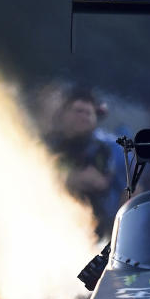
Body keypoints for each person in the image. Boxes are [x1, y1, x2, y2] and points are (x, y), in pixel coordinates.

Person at [47, 89, 116, 235]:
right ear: (65, 114)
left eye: (89, 113)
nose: (84, 117)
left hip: (90, 225)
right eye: (79, 111)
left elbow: (99, 182)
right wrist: (70, 178)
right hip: (51, 217)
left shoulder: (101, 149)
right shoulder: (49, 144)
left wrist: (64, 178)